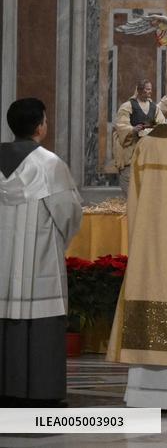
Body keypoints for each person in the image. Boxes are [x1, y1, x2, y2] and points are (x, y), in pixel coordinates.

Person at [106, 84, 167, 410]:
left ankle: (142, 393)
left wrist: (139, 239)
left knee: (147, 289)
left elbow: (132, 199)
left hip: (149, 243)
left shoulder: (146, 146)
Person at [0, 98, 82, 406]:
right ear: (39, 127)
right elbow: (68, 213)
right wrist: (62, 240)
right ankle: (40, 392)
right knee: (40, 322)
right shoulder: (49, 164)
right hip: (39, 262)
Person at [112, 79, 164, 195]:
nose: (150, 92)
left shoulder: (154, 108)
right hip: (132, 150)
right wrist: (132, 130)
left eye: (151, 89)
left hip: (149, 152)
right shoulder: (127, 106)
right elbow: (120, 125)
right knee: (130, 188)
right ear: (140, 90)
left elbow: (161, 123)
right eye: (147, 89)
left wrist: (154, 129)